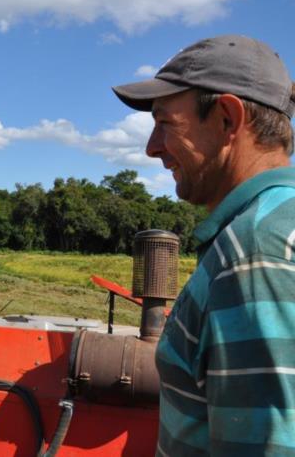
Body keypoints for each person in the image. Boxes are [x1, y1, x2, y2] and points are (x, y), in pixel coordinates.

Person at [112, 34, 295, 456]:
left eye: (165, 122)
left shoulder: (254, 255)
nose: (151, 147)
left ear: (228, 119)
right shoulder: (271, 229)